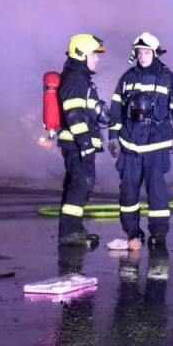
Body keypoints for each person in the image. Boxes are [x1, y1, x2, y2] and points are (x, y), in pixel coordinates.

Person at [108, 32, 173, 249]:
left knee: (157, 193)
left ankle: (158, 234)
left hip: (157, 145)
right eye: (139, 53)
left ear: (155, 53)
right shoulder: (127, 78)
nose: (142, 57)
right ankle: (132, 232)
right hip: (130, 145)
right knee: (128, 191)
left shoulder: (169, 79)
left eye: (146, 52)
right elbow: (116, 109)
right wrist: (113, 137)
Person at [57, 34, 108, 247]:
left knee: (81, 185)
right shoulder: (75, 79)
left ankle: (75, 228)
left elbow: (86, 110)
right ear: (82, 54)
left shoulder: (80, 79)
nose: (97, 59)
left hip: (79, 144)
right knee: (79, 185)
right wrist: (85, 144)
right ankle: (69, 232)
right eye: (94, 54)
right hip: (76, 144)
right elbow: (74, 113)